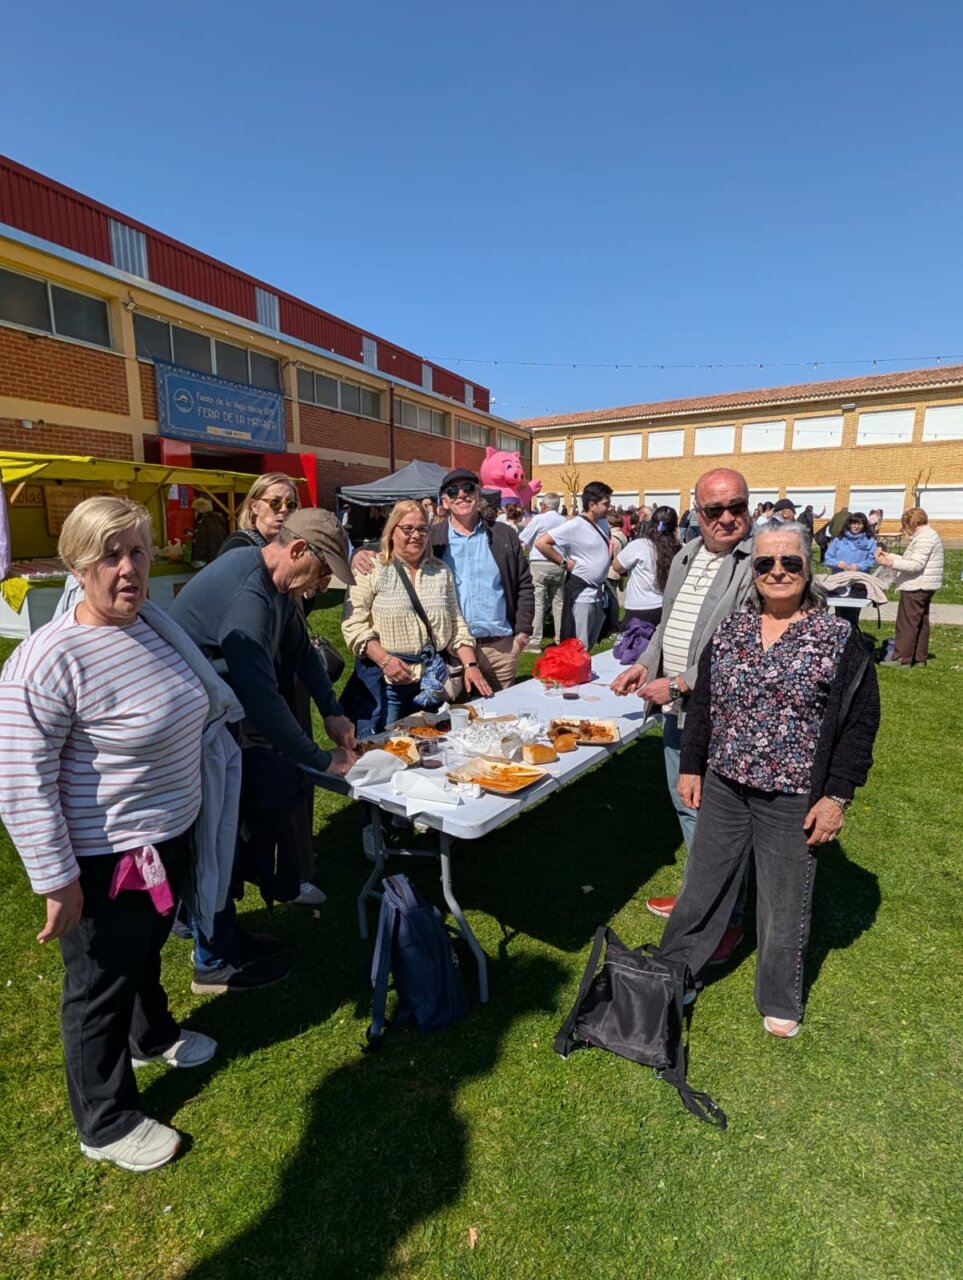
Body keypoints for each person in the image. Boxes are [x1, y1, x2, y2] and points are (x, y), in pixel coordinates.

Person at [0, 496, 239, 1171]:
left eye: (137, 551)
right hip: (105, 856)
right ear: (77, 565)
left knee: (146, 947)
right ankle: (103, 1121)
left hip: (166, 836)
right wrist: (56, 881)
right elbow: (20, 778)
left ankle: (152, 1031)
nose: (128, 568)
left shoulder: (149, 627)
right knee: (97, 984)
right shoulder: (47, 661)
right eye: (110, 555)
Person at [658, 521, 880, 1038]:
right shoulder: (732, 630)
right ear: (753, 571)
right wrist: (692, 765)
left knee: (784, 901)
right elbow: (705, 703)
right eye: (765, 563)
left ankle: (779, 996)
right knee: (701, 886)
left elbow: (860, 722)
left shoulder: (837, 638)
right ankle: (671, 974)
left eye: (790, 563)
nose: (777, 571)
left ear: (808, 568)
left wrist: (837, 795)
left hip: (793, 793)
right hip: (726, 783)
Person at [169, 509, 358, 994]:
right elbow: (263, 700)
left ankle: (222, 932)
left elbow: (300, 654)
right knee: (213, 841)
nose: (316, 587)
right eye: (319, 573)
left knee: (235, 830)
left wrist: (332, 711)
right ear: (297, 551)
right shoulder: (249, 597)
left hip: (221, 725)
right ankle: (209, 958)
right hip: (195, 734)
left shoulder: (278, 588)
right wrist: (320, 759)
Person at [611, 468, 755, 964]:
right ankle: (701, 899)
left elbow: (742, 650)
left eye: (737, 506)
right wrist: (644, 665)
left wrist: (678, 681)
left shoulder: (759, 563)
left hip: (723, 715)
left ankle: (729, 921)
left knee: (721, 819)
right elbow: (667, 628)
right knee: (687, 807)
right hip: (678, 711)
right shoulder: (686, 556)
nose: (727, 518)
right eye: (715, 510)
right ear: (698, 513)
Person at [342, 499, 490, 729]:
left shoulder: (440, 571)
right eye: (408, 529)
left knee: (430, 749)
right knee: (388, 750)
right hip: (388, 681)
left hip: (431, 681)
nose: (416, 535)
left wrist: (470, 665)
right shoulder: (372, 568)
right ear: (392, 531)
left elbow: (456, 622)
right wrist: (385, 659)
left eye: (422, 528)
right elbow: (354, 625)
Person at [429, 468, 534, 692]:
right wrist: (363, 553)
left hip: (500, 649)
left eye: (468, 488)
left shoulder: (503, 534)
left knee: (500, 720)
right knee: (453, 721)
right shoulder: (432, 538)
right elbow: (397, 548)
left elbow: (524, 584)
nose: (462, 494)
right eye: (453, 491)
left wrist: (522, 635)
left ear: (478, 495)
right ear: (445, 501)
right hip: (452, 650)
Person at [535, 481, 615, 651]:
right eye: (605, 504)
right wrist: (563, 563)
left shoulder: (602, 523)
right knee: (579, 647)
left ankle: (583, 674)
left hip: (598, 594)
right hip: (582, 595)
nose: (609, 507)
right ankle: (576, 676)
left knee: (590, 645)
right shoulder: (574, 525)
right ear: (592, 505)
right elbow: (542, 543)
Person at [875, 507, 944, 667]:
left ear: (910, 523)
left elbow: (915, 565)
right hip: (925, 585)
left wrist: (890, 563)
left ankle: (902, 658)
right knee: (920, 622)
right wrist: (890, 556)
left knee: (907, 623)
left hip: (916, 585)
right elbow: (911, 559)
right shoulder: (928, 535)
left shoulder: (924, 538)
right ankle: (919, 657)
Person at [611, 504, 678, 627]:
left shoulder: (639, 546)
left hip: (639, 608)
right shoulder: (679, 548)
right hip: (666, 606)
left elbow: (617, 566)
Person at [520, 492, 566, 652]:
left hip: (540, 561)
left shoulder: (539, 519)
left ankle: (535, 641)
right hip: (559, 562)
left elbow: (524, 538)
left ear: (544, 505)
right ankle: (561, 638)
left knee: (538, 603)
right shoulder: (563, 521)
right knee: (559, 603)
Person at [189, 496, 229, 564]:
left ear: (200, 509)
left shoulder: (208, 521)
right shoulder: (211, 520)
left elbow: (212, 541)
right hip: (208, 557)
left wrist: (213, 560)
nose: (194, 512)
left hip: (206, 558)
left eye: (195, 510)